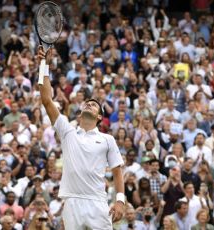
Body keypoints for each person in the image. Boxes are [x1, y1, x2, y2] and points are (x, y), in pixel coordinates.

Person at [37, 46, 124, 229]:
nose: (89, 105)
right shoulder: (68, 132)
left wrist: (120, 201)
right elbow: (46, 99)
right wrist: (44, 65)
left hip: (98, 203)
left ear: (100, 117)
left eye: (93, 105)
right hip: (72, 202)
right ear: (79, 114)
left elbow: (117, 172)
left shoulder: (107, 139)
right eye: (87, 103)